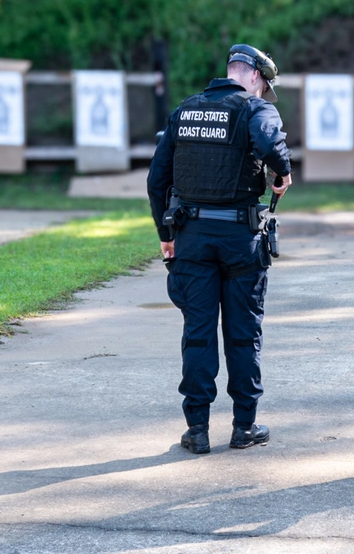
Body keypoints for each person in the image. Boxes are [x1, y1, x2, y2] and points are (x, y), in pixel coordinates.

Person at [147, 44, 292, 455]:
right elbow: (269, 145)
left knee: (198, 333)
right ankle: (244, 427)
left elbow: (157, 181)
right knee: (243, 334)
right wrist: (282, 171)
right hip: (239, 240)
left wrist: (165, 232)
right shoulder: (255, 109)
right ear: (255, 77)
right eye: (264, 86)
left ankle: (197, 429)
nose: (263, 93)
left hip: (190, 236)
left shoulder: (185, 111)